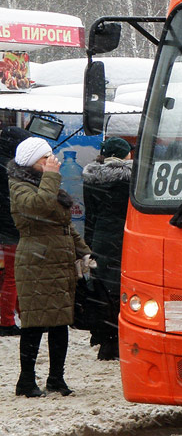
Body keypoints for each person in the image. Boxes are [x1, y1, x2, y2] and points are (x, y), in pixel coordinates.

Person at [9, 137, 93, 397]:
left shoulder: (45, 182)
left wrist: (85, 252)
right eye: (45, 158)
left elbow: (63, 225)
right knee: (34, 324)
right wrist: (51, 176)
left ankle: (56, 378)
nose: (51, 161)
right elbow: (40, 207)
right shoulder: (19, 186)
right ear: (32, 162)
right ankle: (26, 381)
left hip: (59, 262)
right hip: (36, 262)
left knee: (60, 323)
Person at [81, 137, 132, 361]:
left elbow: (90, 215)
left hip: (101, 238)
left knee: (103, 290)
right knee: (123, 288)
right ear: (124, 154)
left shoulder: (91, 177)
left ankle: (104, 338)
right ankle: (121, 338)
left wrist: (90, 244)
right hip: (126, 238)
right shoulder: (133, 178)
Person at [0, 126, 30, 336]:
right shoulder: (10, 168)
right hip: (11, 227)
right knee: (14, 275)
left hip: (6, 227)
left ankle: (20, 316)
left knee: (13, 274)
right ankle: (7, 322)